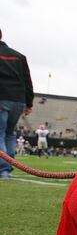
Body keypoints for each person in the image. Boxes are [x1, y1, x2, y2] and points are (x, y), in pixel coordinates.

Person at [0, 29, 34, 179]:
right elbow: (27, 81)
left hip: (2, 98)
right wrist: (29, 103)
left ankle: (3, 169)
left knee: (1, 133)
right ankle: (7, 167)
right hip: (18, 100)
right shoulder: (19, 56)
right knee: (9, 134)